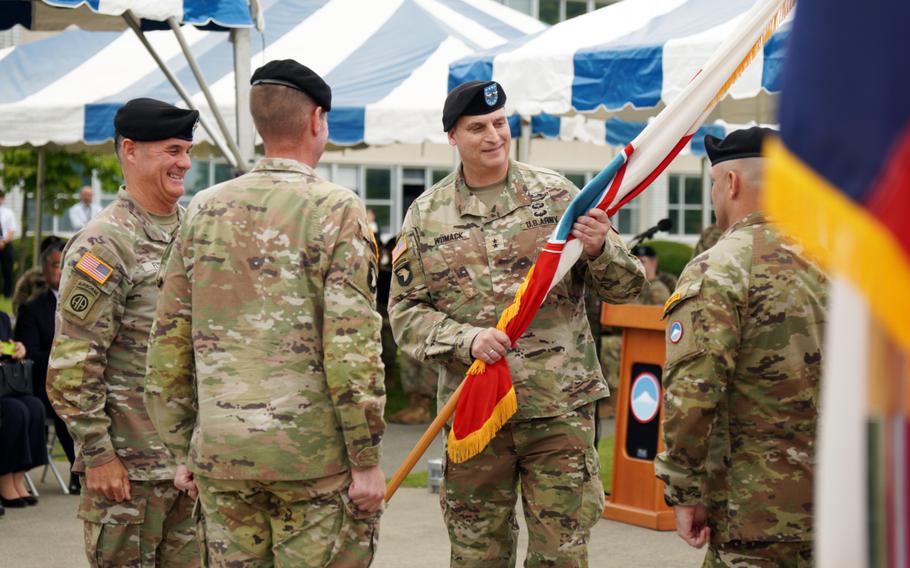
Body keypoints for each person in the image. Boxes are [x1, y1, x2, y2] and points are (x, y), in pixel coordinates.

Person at [389, 80, 645, 567]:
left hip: (558, 409)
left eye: (500, 123)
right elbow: (405, 313)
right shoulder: (426, 216)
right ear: (452, 137)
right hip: (476, 413)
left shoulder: (557, 196)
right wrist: (466, 340)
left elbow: (627, 288)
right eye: (477, 127)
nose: (493, 136)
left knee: (561, 556)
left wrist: (600, 248)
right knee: (476, 554)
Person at [145, 59, 386, 567]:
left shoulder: (203, 211)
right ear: (317, 120)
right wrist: (366, 459)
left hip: (222, 454)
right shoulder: (337, 209)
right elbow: (351, 349)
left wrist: (183, 446)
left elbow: (167, 343)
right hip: (312, 462)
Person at [655, 127, 826, 567]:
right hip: (839, 504)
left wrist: (684, 492)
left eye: (713, 185)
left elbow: (692, 395)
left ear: (730, 183)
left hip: (755, 513)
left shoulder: (719, 267)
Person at [47, 98, 200, 567]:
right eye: (172, 150)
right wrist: (97, 455)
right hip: (129, 473)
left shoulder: (193, 232)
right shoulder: (104, 243)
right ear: (130, 150)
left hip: (189, 468)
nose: (185, 163)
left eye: (188, 150)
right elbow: (73, 365)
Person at [15, 241, 79, 494]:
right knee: (69, 405)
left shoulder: (86, 304)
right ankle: (79, 471)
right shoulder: (32, 309)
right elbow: (29, 353)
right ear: (44, 269)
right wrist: (67, 357)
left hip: (85, 379)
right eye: (56, 265)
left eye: (67, 265)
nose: (62, 271)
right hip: (46, 384)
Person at [0, 316, 43, 510]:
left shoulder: (2, 318)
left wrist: (18, 349)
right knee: (16, 411)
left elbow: (8, 351)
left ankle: (18, 474)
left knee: (35, 407)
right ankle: (4, 476)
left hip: (4, 387)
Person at [0, 191, 19, 298]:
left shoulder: (8, 213)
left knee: (7, 270)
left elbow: (12, 230)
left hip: (6, 245)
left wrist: (3, 241)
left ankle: (7, 293)